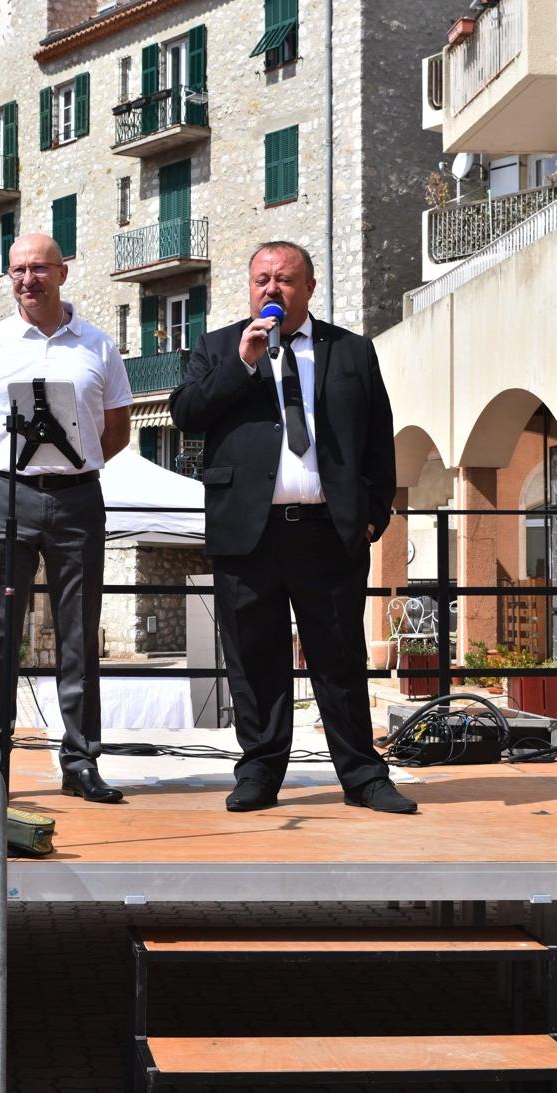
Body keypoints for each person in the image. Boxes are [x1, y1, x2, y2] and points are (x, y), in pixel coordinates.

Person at [170, 241, 416, 815]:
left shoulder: (350, 350)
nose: (271, 289)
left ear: (308, 287)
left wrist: (373, 514)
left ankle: (363, 776)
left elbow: (378, 436)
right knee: (255, 661)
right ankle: (259, 772)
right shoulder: (217, 347)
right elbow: (187, 413)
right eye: (261, 280)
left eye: (283, 279)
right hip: (246, 533)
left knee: (340, 657)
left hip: (328, 532)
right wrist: (242, 363)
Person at [0, 233, 133, 803]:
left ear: (62, 272)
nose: (27, 279)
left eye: (38, 268)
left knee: (79, 633)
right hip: (4, 497)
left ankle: (80, 762)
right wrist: (7, 473)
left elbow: (117, 430)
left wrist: (71, 468)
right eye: (18, 270)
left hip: (78, 500)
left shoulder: (99, 345)